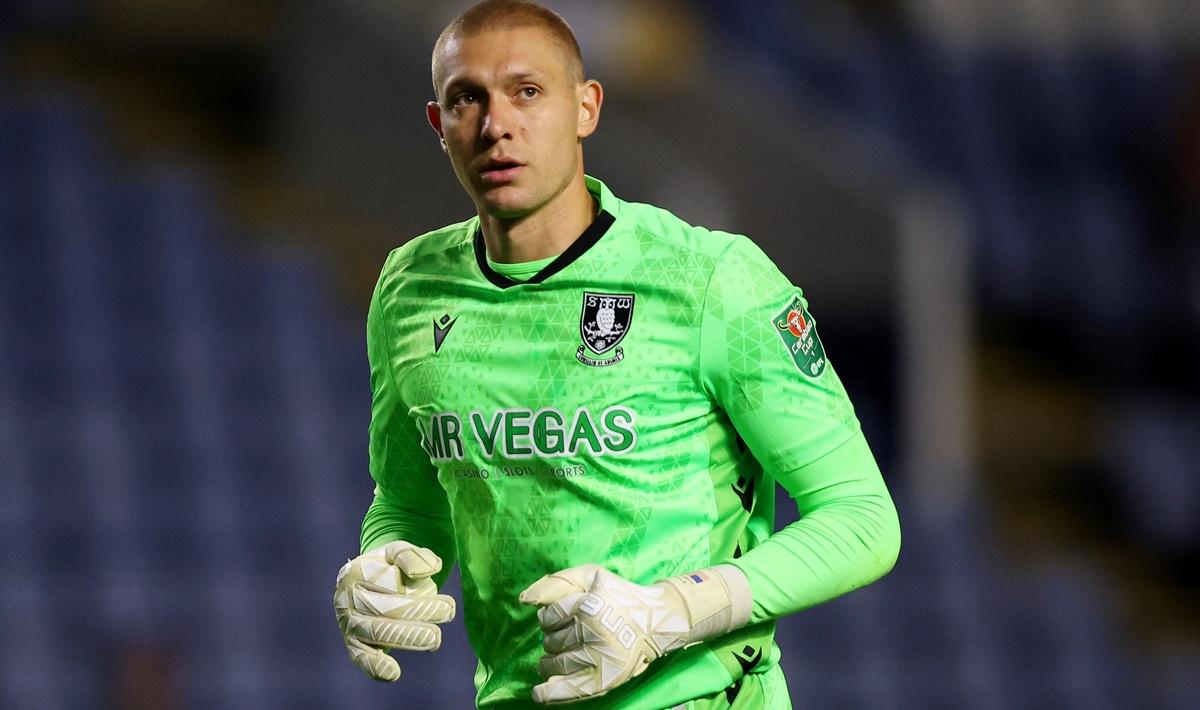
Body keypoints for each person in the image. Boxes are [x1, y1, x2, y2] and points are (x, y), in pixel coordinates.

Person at [333, 1, 901, 707]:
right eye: (465, 100)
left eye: (527, 92)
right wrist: (385, 564)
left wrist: (670, 613)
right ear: (438, 126)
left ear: (586, 108)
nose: (496, 124)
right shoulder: (410, 290)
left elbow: (861, 519)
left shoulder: (711, 279)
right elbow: (410, 504)